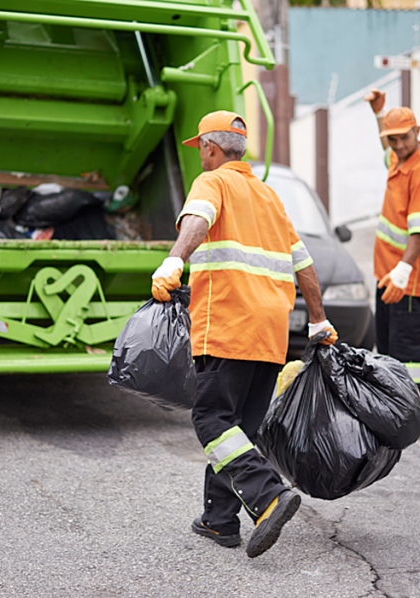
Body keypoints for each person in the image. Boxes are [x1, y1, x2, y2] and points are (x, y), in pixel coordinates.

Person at [150, 110, 338, 558]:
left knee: (211, 420)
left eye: (200, 150)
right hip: (270, 334)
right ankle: (219, 521)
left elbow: (196, 220)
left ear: (212, 149)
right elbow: (304, 265)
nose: (200, 157)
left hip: (228, 325)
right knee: (237, 431)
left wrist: (174, 260)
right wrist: (318, 319)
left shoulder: (213, 182)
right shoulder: (270, 197)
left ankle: (268, 494)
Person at [363, 90, 420, 414]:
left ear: (417, 132)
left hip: (407, 282)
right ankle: (393, 410)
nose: (397, 145)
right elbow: (387, 148)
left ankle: (413, 414)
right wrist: (379, 112)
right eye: (393, 139)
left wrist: (402, 271)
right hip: (388, 277)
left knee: (409, 352)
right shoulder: (399, 161)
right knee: (388, 348)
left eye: (403, 138)